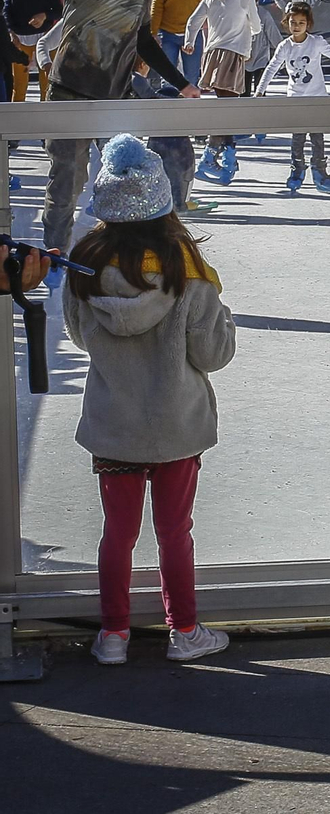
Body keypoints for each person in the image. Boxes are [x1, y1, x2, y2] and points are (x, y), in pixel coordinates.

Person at [62, 135, 236, 666]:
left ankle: (113, 635)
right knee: (174, 531)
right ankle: (184, 630)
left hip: (114, 425)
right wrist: (223, 320)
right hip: (176, 427)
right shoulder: (187, 272)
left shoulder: (84, 266)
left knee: (117, 533)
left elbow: (76, 334)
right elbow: (212, 355)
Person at [39, 0, 199, 261]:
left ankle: (124, 254)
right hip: (68, 94)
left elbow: (144, 42)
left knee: (126, 178)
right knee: (67, 184)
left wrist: (183, 82)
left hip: (114, 98)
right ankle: (54, 258)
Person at [183, 0, 262, 184]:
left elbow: (193, 21)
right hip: (233, 55)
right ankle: (215, 155)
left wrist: (189, 41)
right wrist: (249, 27)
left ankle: (224, 155)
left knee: (226, 108)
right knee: (229, 110)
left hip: (212, 55)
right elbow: (256, 26)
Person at [256, 2, 330, 193]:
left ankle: (320, 172)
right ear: (286, 23)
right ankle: (297, 171)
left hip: (316, 99)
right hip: (296, 100)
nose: (297, 26)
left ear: (308, 24)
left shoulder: (316, 42)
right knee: (297, 138)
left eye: (301, 22)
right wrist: (261, 89)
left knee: (317, 137)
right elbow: (272, 67)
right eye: (293, 22)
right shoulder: (285, 46)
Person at [3, 0, 64, 102]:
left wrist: (45, 15)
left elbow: (59, 11)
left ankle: (46, 118)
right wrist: (11, 32)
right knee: (19, 84)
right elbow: (6, 9)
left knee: (47, 84)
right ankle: (18, 121)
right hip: (19, 39)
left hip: (45, 39)